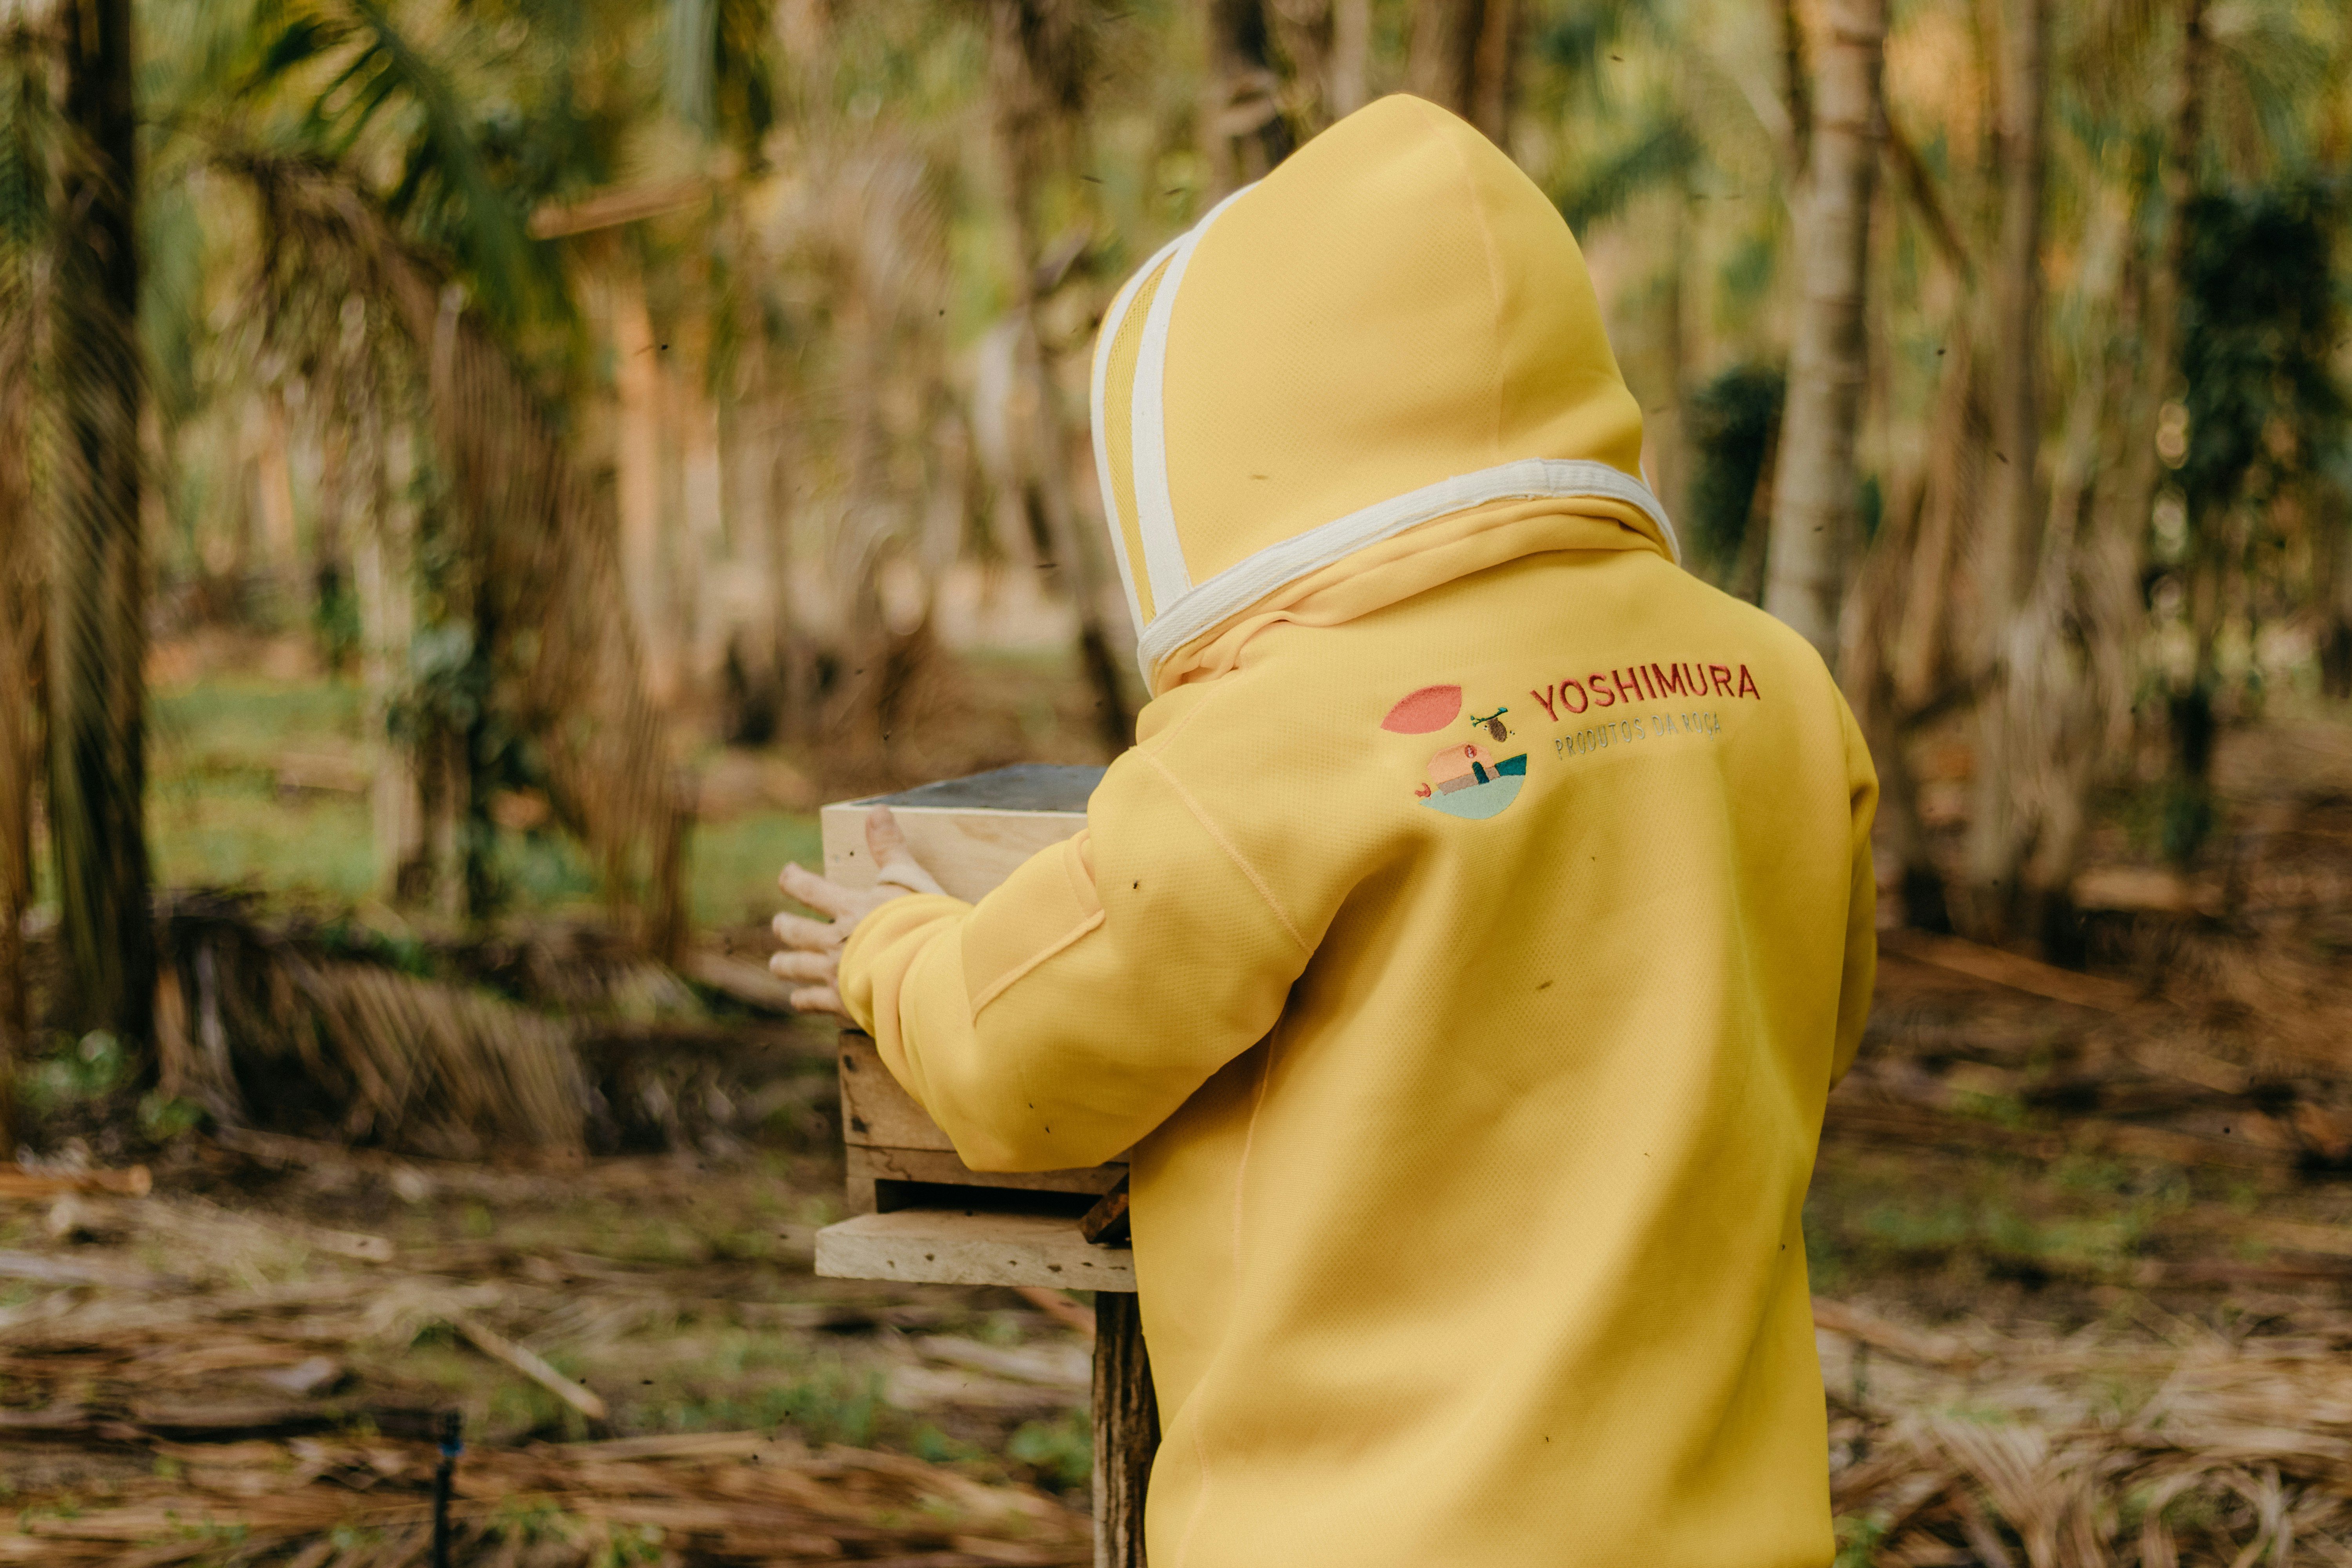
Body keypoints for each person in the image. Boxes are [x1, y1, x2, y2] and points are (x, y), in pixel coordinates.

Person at [773, 94, 1877, 1568]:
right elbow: (1811, 1011)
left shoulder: (1280, 738)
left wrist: (888, 951)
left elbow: (1033, 1062)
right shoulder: (1775, 684)